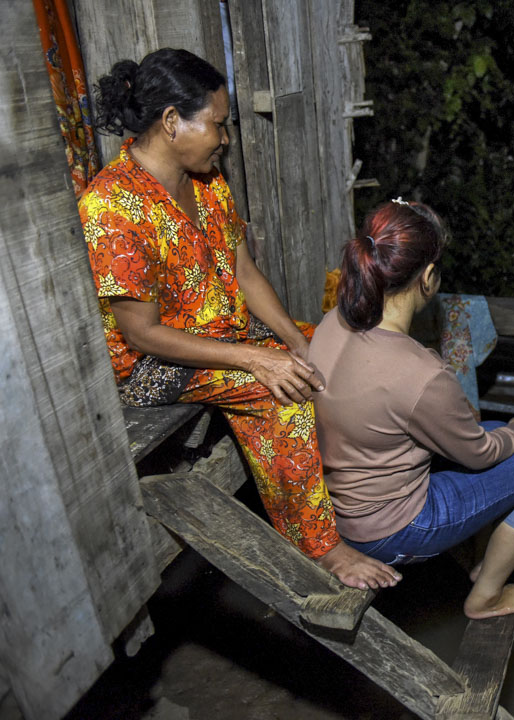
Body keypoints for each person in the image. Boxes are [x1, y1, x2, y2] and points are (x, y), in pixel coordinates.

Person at [79, 48, 399, 590]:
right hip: (151, 365)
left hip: (221, 334)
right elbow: (140, 333)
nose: (225, 138)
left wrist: (293, 338)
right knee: (281, 388)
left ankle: (358, 489)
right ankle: (321, 549)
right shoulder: (112, 206)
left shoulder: (207, 184)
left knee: (331, 345)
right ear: (172, 122)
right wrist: (258, 357)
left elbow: (244, 273)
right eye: (219, 124)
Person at [308, 200, 514, 619]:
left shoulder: (335, 320)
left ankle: (489, 557)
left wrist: (498, 432)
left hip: (346, 504)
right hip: (395, 529)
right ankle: (486, 597)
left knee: (492, 429)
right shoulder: (419, 371)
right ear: (427, 277)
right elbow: (478, 454)